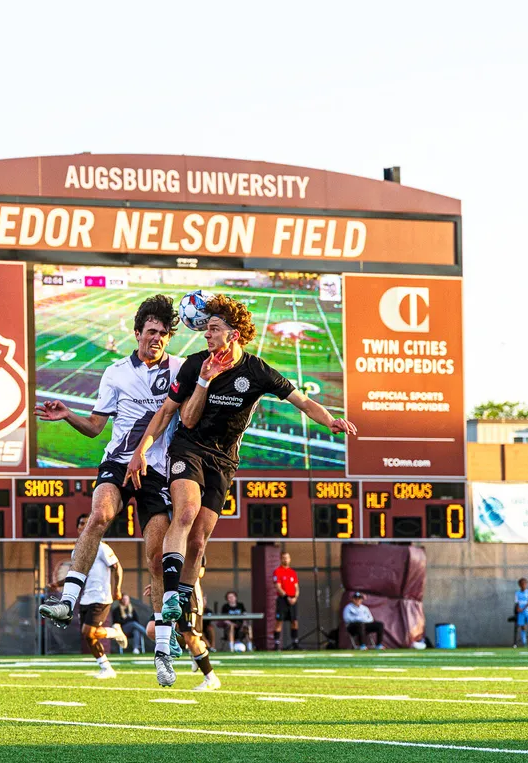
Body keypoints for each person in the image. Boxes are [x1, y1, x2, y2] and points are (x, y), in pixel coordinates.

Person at [126, 293, 356, 686]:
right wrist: (144, 448)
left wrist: (329, 420)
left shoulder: (259, 371)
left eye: (213, 329)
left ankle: (180, 593)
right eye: (206, 328)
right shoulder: (198, 363)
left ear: (233, 335)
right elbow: (178, 415)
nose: (206, 334)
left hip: (223, 463)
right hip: (189, 448)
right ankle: (171, 599)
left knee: (199, 540)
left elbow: (302, 401)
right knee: (184, 512)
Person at [37, 296, 181, 684]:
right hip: (118, 461)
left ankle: (163, 650)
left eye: (163, 334)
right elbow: (96, 427)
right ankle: (68, 601)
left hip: (157, 469)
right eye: (151, 332)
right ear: (137, 334)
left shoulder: (180, 370)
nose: (157, 339)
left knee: (156, 556)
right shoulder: (116, 372)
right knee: (99, 515)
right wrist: (68, 415)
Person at [73, 514, 128, 678]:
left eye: (87, 523)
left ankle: (114, 633)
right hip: (85, 598)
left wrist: (117, 589)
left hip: (101, 597)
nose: (84, 526)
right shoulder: (76, 551)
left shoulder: (102, 547)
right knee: (88, 636)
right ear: (77, 528)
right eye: (81, 523)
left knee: (89, 633)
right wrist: (59, 584)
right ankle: (106, 668)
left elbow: (117, 567)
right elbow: (75, 575)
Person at [273, 552, 300, 650]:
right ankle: (276, 644)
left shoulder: (292, 572)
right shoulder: (277, 571)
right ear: (281, 559)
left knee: (294, 621)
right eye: (284, 558)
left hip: (293, 599)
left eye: (287, 558)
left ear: (290, 559)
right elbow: (278, 587)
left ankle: (295, 643)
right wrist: (287, 597)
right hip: (283, 600)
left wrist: (295, 597)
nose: (285, 560)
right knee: (279, 621)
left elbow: (296, 587)